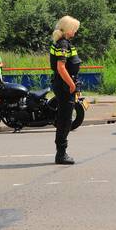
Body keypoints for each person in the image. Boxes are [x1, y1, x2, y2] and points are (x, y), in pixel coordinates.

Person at [50, 15, 81, 165]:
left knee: (65, 119)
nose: (76, 30)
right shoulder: (63, 44)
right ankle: (61, 154)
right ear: (69, 29)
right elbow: (61, 67)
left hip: (62, 85)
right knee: (65, 120)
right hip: (64, 87)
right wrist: (72, 84)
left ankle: (61, 152)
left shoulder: (62, 42)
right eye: (74, 28)